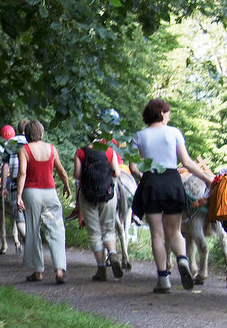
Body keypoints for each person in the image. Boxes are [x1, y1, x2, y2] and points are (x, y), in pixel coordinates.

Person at [127, 99, 214, 293]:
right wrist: (206, 179)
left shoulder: (139, 136)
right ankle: (182, 259)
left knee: (157, 234)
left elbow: (133, 167)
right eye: (168, 113)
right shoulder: (174, 133)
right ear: (161, 113)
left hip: (152, 183)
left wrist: (144, 176)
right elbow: (188, 163)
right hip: (172, 181)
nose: (169, 116)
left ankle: (163, 280)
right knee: (175, 231)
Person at [16, 120, 72, 283]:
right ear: (41, 132)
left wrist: (19, 195)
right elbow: (61, 171)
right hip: (50, 192)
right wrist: (66, 185)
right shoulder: (51, 149)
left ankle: (38, 271)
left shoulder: (25, 150)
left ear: (26, 134)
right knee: (56, 229)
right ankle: (59, 270)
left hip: (31, 193)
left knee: (33, 230)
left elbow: (22, 173)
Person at [74, 132, 124, 281]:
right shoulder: (109, 151)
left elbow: (77, 175)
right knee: (108, 229)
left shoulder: (81, 152)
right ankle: (113, 254)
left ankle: (101, 269)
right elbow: (117, 172)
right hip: (107, 195)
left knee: (95, 233)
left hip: (88, 196)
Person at [1, 119, 30, 242]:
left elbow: (5, 166)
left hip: (14, 183)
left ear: (17, 130)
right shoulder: (32, 142)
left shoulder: (10, 143)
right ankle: (32, 242)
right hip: (31, 183)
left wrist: (3, 187)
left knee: (20, 218)